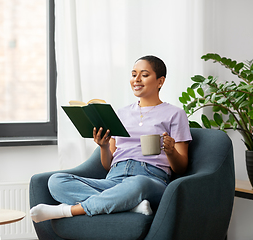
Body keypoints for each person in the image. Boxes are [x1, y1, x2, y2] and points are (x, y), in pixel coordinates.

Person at [30, 55, 192, 222]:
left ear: (160, 81)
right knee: (57, 181)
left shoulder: (175, 114)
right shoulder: (120, 114)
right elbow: (108, 165)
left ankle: (68, 210)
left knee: (137, 184)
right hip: (114, 178)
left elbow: (181, 168)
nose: (136, 79)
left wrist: (171, 151)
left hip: (150, 179)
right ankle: (130, 205)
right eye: (133, 74)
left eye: (144, 75)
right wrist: (104, 146)